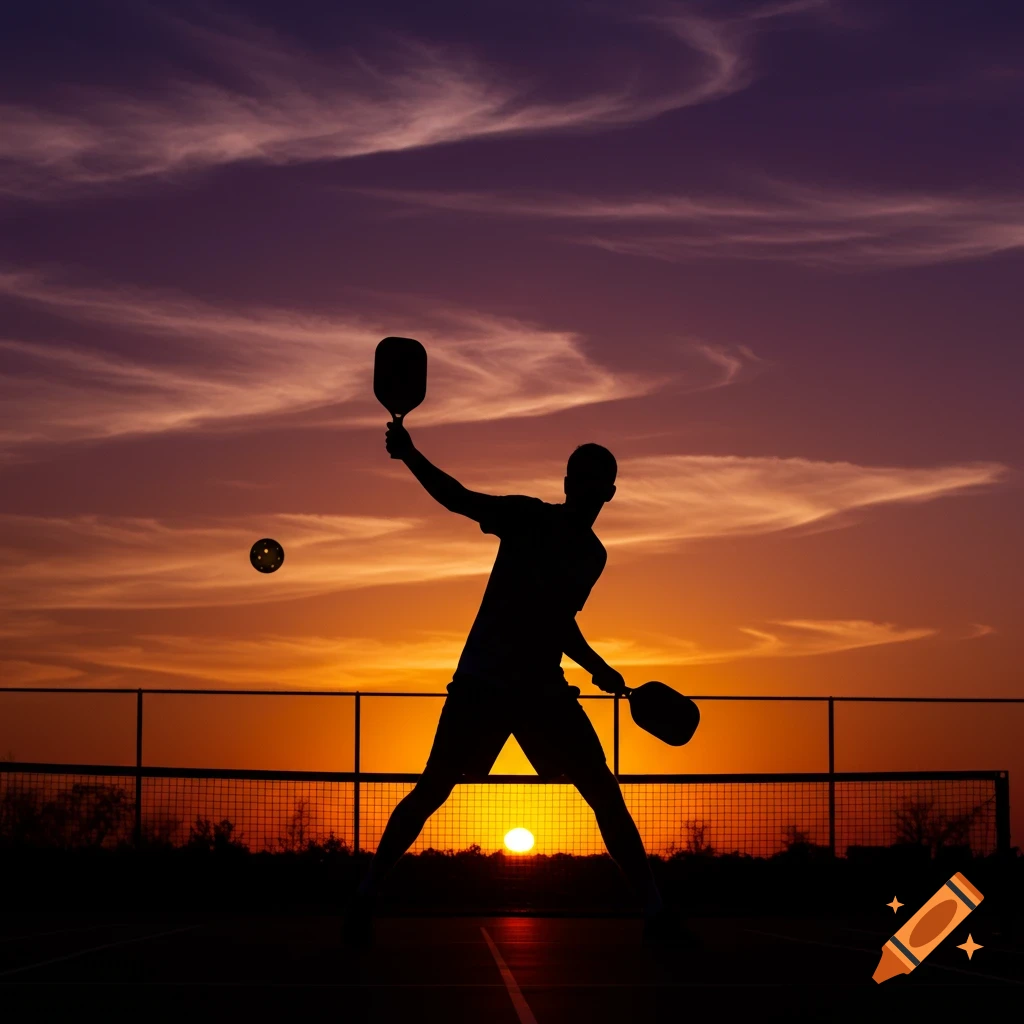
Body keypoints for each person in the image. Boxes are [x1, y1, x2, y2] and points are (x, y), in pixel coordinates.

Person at [344, 422, 694, 947]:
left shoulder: (591, 555)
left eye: (595, 480)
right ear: (570, 482)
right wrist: (411, 455)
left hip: (535, 688)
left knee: (602, 792)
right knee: (434, 789)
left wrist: (594, 664)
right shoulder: (529, 516)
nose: (586, 488)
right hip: (487, 681)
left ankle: (654, 911)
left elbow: (555, 619)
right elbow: (458, 498)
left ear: (607, 492)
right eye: (581, 477)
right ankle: (367, 894)